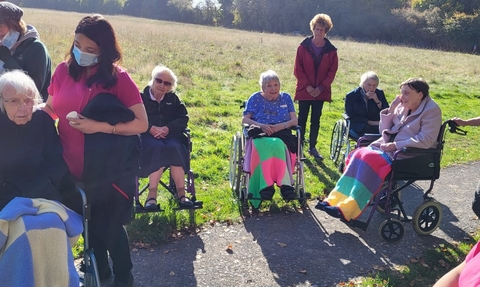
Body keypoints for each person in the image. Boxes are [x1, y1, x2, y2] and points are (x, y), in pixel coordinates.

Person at [43, 14, 148, 287]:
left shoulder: (118, 79)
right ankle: (100, 274)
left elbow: (141, 123)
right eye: (78, 45)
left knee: (109, 227)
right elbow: (51, 109)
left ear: (104, 51)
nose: (82, 53)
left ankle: (124, 276)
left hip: (107, 169)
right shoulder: (63, 71)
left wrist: (99, 126)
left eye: (91, 50)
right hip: (70, 166)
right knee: (89, 227)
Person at [316, 78, 442, 221]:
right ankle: (334, 200)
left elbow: (425, 140)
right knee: (357, 154)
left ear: (420, 94)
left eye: (406, 93)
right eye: (401, 93)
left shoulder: (432, 110)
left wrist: (395, 145)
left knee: (369, 159)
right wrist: (392, 110)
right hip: (388, 148)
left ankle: (348, 208)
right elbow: (384, 130)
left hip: (409, 154)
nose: (402, 97)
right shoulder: (403, 106)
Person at [0, 70, 83, 286]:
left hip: (44, 194)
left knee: (52, 225)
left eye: (29, 100)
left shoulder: (42, 121)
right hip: (6, 198)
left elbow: (56, 162)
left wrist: (37, 190)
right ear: (1, 101)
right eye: (14, 101)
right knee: (23, 230)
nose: (23, 107)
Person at [139, 65, 194, 209]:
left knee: (175, 147)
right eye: (159, 81)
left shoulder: (173, 99)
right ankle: (151, 196)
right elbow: (134, 117)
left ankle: (182, 195)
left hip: (169, 135)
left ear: (171, 86)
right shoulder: (140, 98)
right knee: (157, 148)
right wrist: (150, 128)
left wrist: (167, 128)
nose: (162, 85)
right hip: (146, 137)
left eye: (167, 83)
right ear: (153, 80)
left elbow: (183, 118)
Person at [242, 70, 298, 208]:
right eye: (269, 86)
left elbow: (295, 120)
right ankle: (268, 185)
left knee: (278, 143)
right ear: (262, 88)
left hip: (282, 131)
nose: (273, 88)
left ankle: (283, 185)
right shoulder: (255, 98)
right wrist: (261, 125)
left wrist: (281, 126)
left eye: (276, 84)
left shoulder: (286, 98)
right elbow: (245, 119)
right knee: (267, 144)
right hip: (260, 131)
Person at [294, 13, 338, 160]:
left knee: (316, 119)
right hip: (304, 90)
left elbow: (332, 72)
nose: (319, 31)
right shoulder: (302, 47)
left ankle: (312, 147)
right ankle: (298, 148)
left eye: (322, 29)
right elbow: (298, 69)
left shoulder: (332, 51)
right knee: (302, 119)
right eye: (317, 28)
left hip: (321, 91)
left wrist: (320, 88)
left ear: (326, 31)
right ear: (313, 28)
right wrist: (307, 86)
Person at [0, 2, 51, 101]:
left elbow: (34, 89)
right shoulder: (4, 45)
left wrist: (8, 60)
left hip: (27, 112)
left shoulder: (36, 48)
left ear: (14, 24)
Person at [345, 71, 389, 138]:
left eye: (374, 85)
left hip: (377, 123)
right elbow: (350, 115)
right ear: (363, 84)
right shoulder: (352, 96)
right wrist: (368, 122)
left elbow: (387, 111)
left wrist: (377, 101)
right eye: (369, 85)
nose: (371, 88)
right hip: (359, 124)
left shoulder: (379, 93)